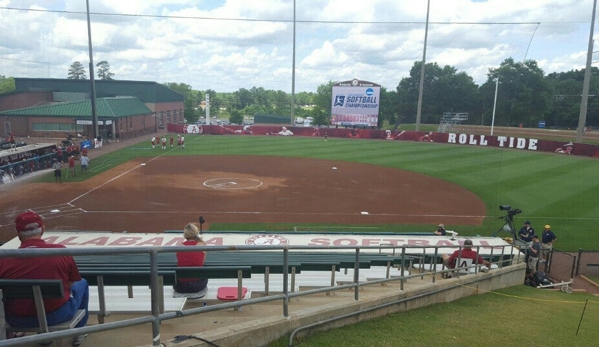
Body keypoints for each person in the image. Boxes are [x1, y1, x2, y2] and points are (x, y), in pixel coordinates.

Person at [0, 211, 89, 346]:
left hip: (16, 318)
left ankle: (41, 337)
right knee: (82, 283)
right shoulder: (60, 251)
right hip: (56, 315)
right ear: (42, 229)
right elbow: (72, 282)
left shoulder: (4, 259)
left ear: (18, 233)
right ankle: (79, 332)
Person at [173, 223, 208, 299]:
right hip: (197, 285)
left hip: (180, 287)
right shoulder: (202, 245)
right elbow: (201, 263)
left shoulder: (179, 246)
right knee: (204, 274)